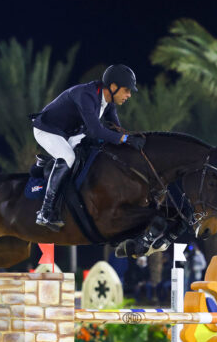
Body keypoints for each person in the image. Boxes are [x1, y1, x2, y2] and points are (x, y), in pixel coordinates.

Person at [31, 64, 144, 230]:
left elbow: (115, 129)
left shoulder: (109, 102)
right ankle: (45, 211)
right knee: (68, 157)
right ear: (113, 87)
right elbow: (96, 130)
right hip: (47, 129)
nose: (128, 95)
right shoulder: (86, 94)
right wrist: (124, 138)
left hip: (70, 133)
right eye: (126, 90)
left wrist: (130, 139)